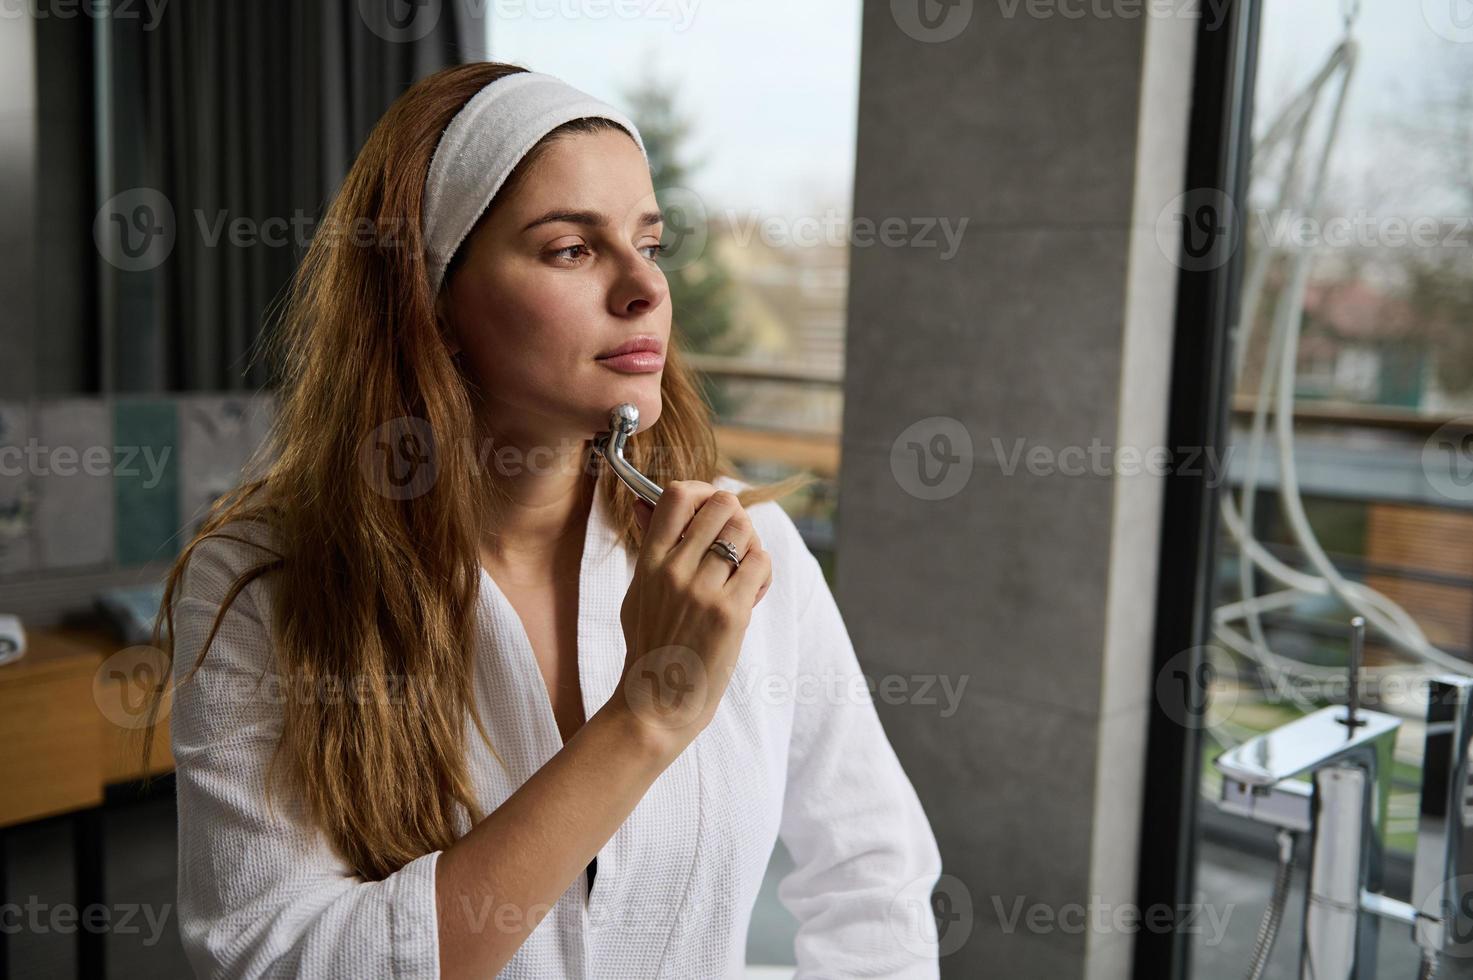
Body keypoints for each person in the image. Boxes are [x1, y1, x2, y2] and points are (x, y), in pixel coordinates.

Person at [144, 62, 942, 979]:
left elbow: (873, 875)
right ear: (433, 305)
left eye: (651, 241)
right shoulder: (265, 582)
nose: (643, 288)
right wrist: (645, 717)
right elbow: (273, 957)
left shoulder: (742, 553)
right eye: (571, 248)